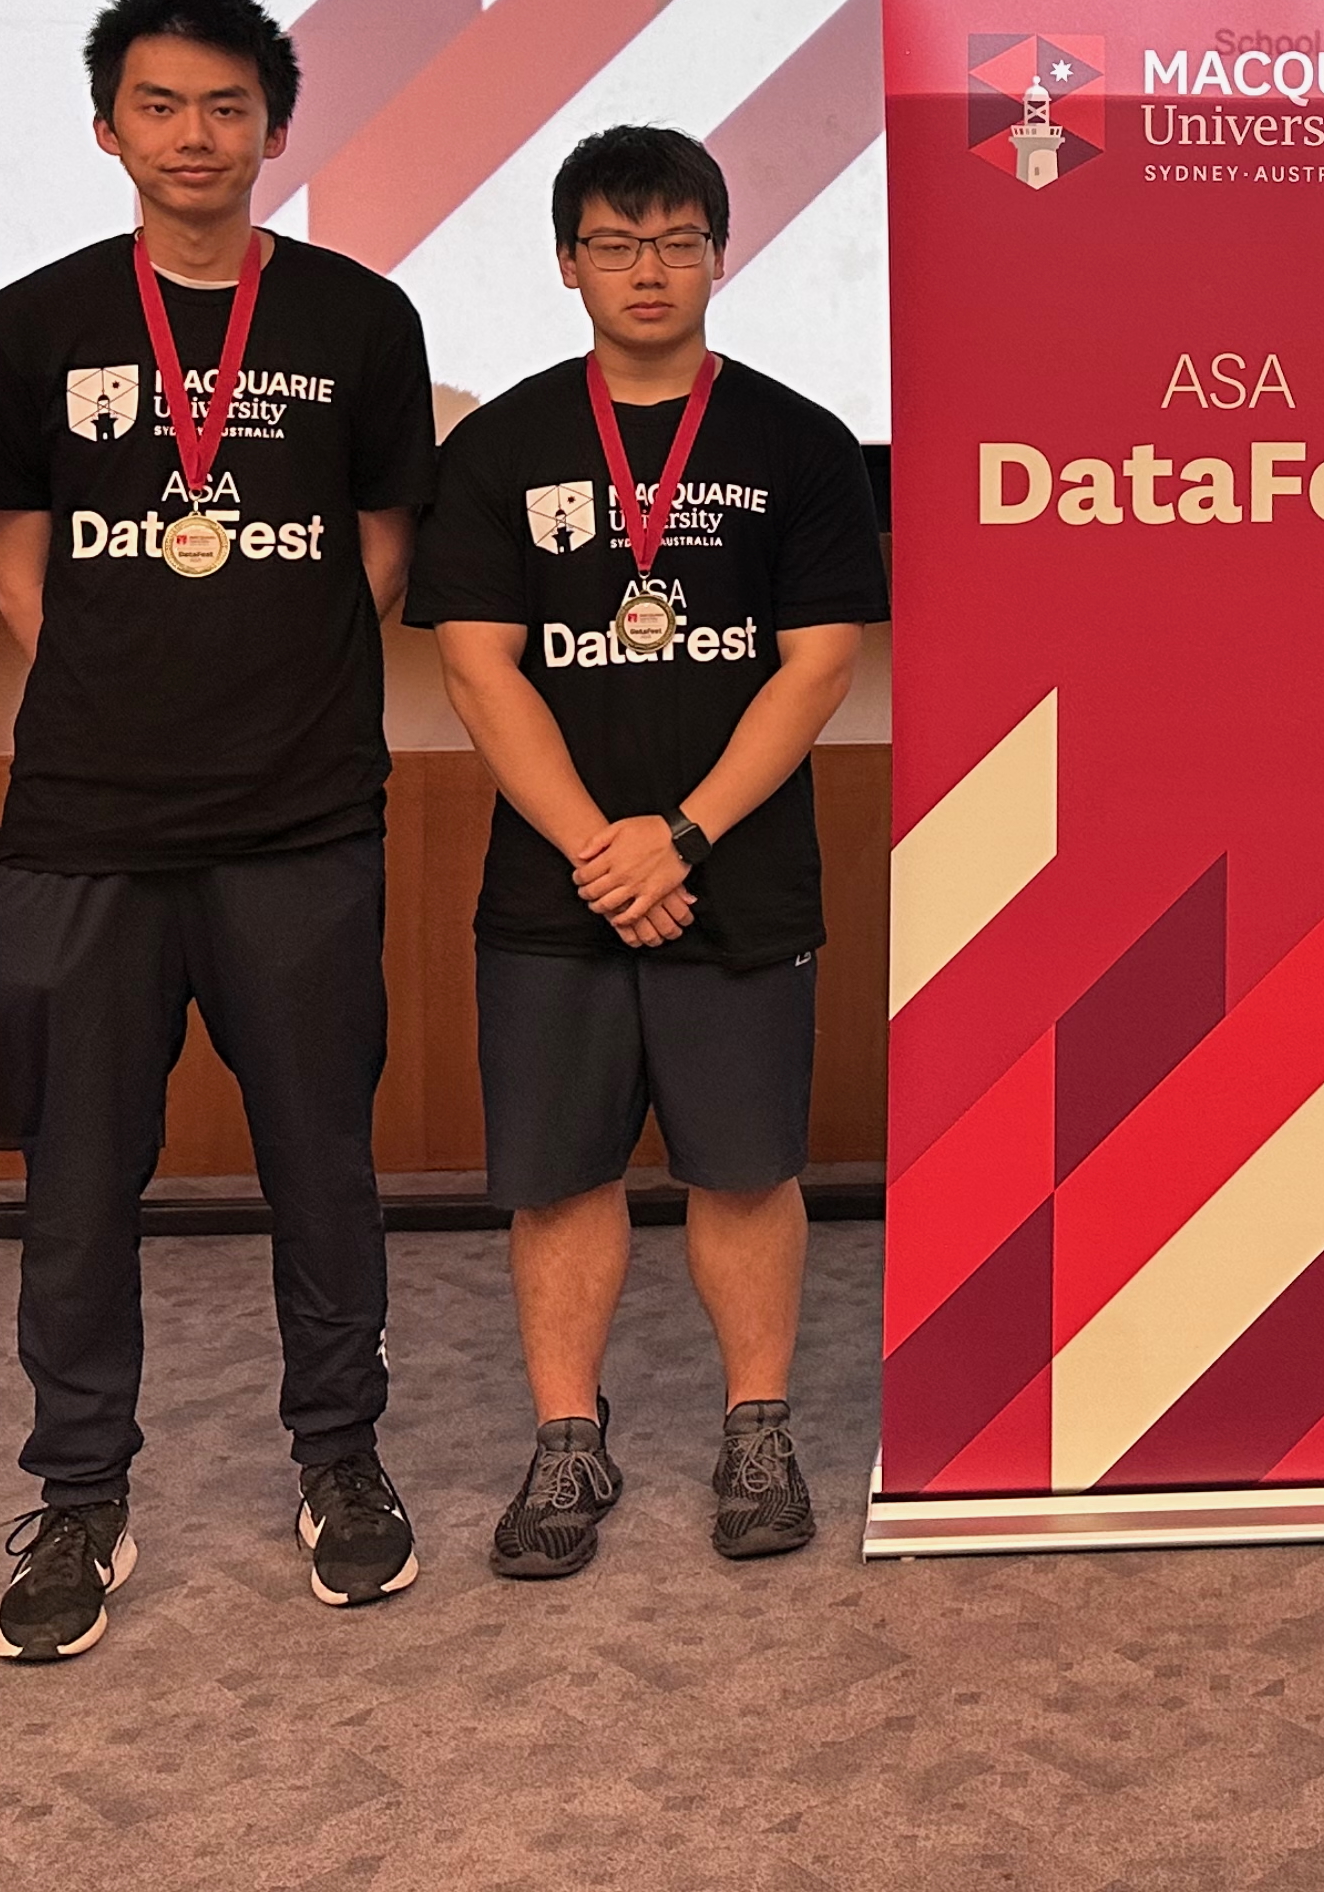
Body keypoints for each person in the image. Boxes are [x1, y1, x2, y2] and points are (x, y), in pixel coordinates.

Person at [0, 0, 438, 1663]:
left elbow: (384, 547)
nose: (194, 135)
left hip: (301, 821)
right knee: (79, 1184)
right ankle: (80, 1493)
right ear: (107, 127)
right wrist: (131, 676)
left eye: (228, 107)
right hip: (84, 823)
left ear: (274, 132)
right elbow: (19, 558)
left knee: (326, 1165)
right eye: (160, 105)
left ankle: (344, 1461)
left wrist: (263, 681)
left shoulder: (362, 322)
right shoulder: (26, 327)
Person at [409, 126, 884, 1578]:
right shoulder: (502, 446)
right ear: (567, 265)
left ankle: (759, 1425)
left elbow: (817, 665)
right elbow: (480, 668)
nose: (649, 270)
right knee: (558, 1173)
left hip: (734, 867)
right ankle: (567, 1439)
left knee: (745, 1166)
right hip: (554, 881)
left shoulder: (796, 439)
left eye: (677, 242)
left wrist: (677, 834)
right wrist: (597, 847)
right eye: (615, 244)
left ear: (721, 254)